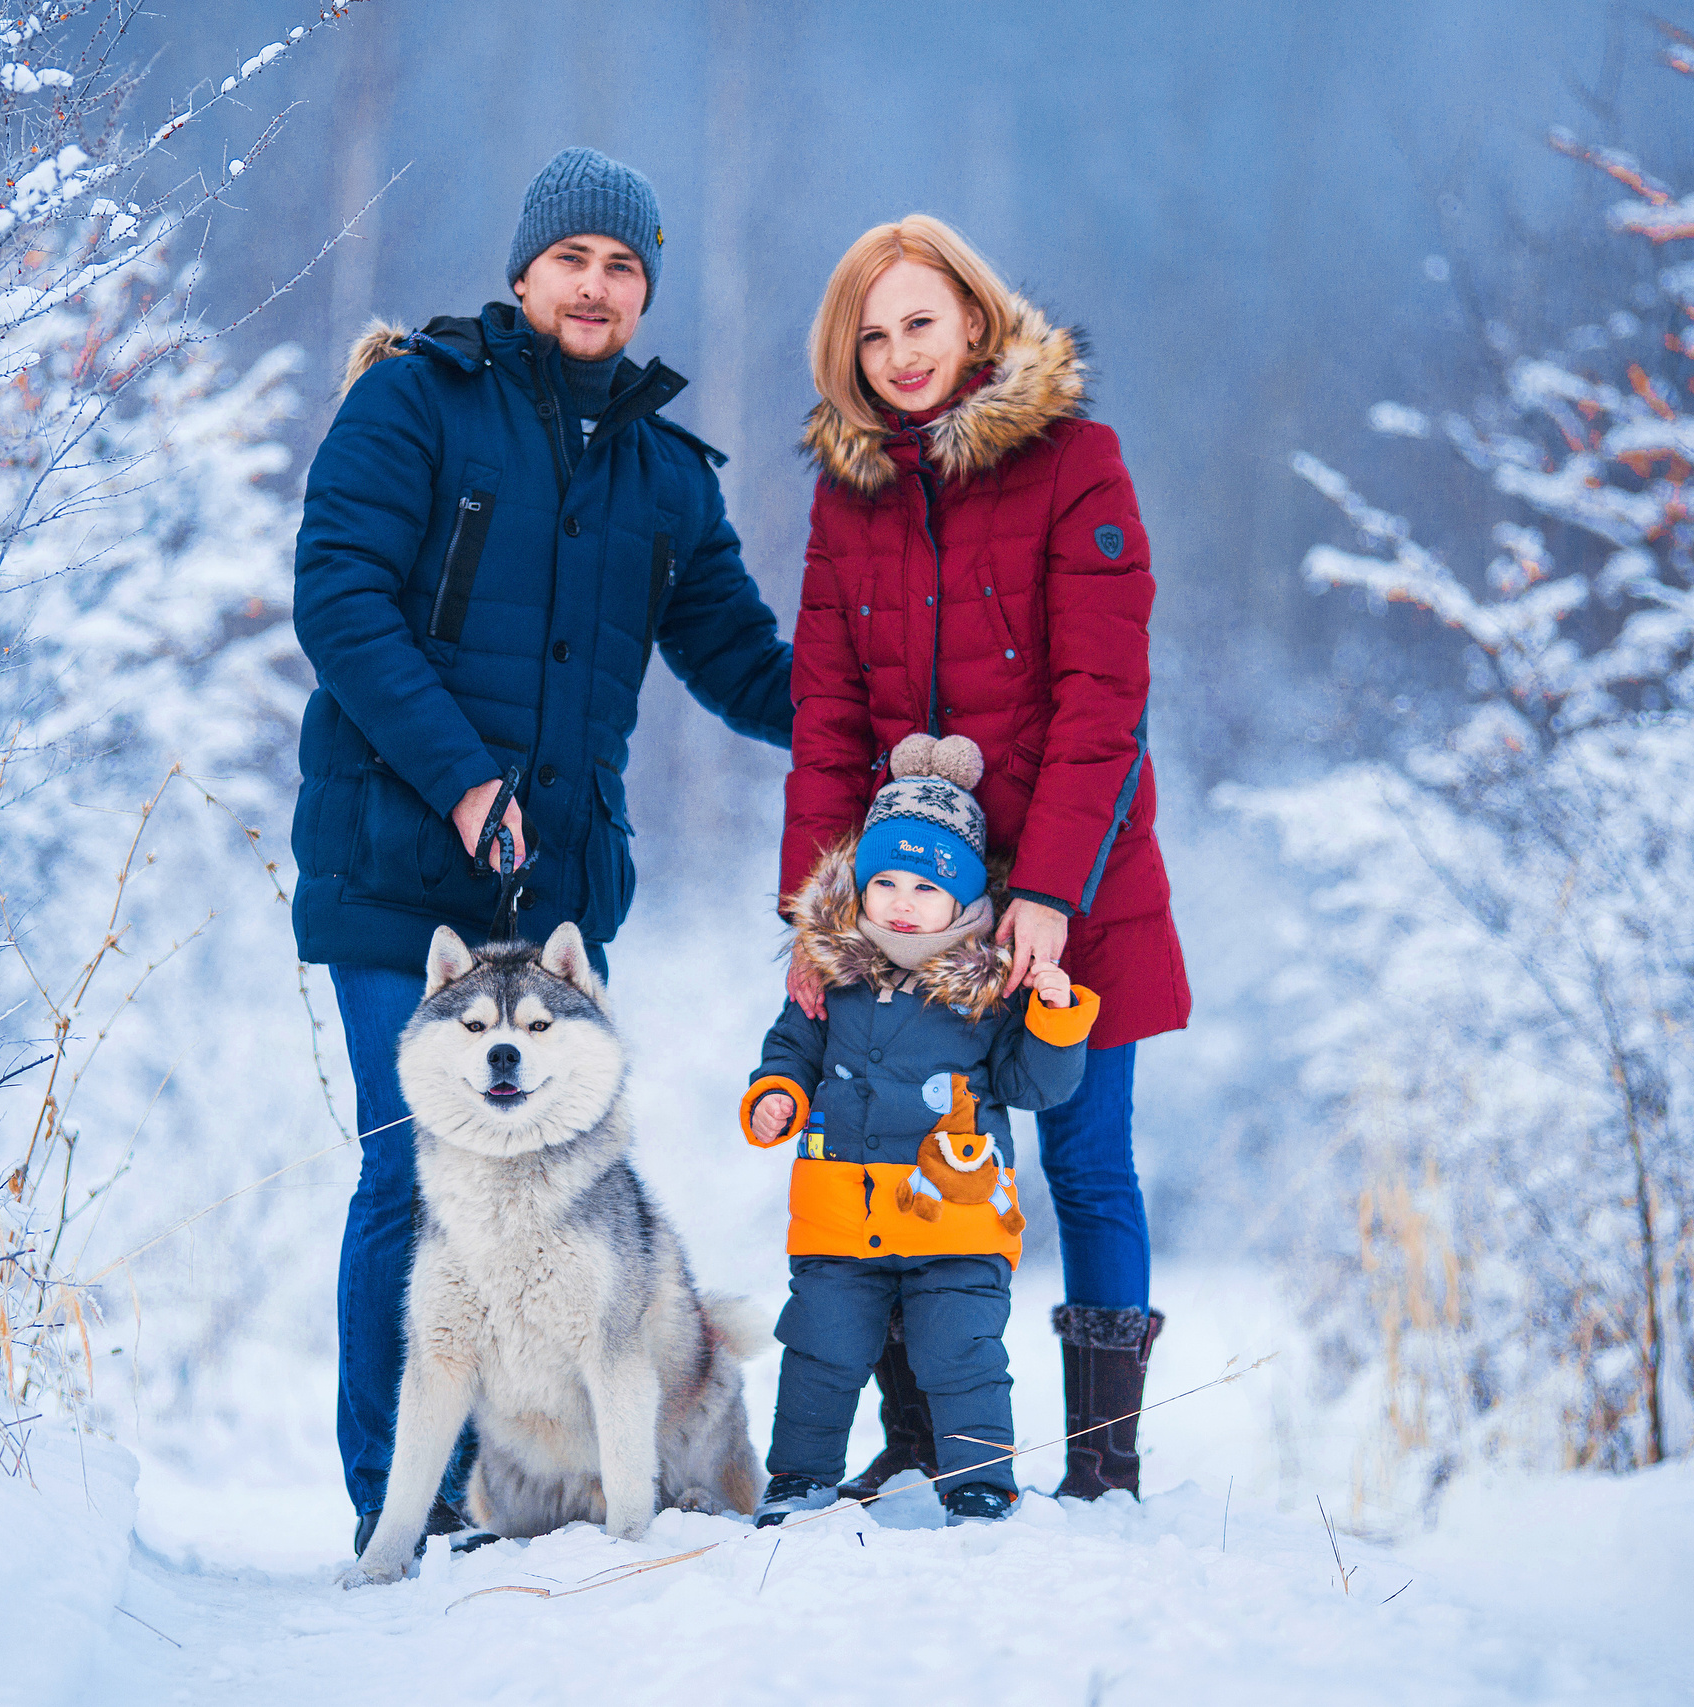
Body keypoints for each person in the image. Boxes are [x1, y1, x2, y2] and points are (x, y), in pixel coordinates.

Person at [290, 148, 794, 1554]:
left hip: (554, 895)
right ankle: (402, 1499)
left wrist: (872, 720)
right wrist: (459, 780)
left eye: (626, 266)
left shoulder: (661, 472)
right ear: (524, 273)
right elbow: (335, 592)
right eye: (574, 257)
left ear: (644, 296)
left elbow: (740, 658)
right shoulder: (415, 400)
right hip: (399, 864)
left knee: (557, 1192)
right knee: (414, 1175)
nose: (598, 283)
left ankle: (527, 1479)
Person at [782, 215, 1191, 1502]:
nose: (900, 352)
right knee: (894, 1159)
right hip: (906, 911)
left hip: (1082, 885)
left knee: (1083, 1158)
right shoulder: (847, 497)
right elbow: (830, 717)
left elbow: (1101, 699)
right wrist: (816, 913)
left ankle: (1100, 1467)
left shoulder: (1077, 465)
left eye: (920, 320)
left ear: (972, 316)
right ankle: (919, 1442)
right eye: (872, 333)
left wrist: (1051, 894)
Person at [742, 734, 1099, 1525]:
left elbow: (1032, 1083)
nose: (902, 901)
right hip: (840, 1216)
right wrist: (775, 1094)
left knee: (962, 1351)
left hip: (959, 1216)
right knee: (819, 1349)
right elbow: (789, 1049)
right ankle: (799, 1478)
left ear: (966, 899)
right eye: (886, 882)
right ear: (860, 889)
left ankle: (978, 1479)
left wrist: (1054, 1015)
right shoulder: (828, 976)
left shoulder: (987, 987)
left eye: (927, 885)